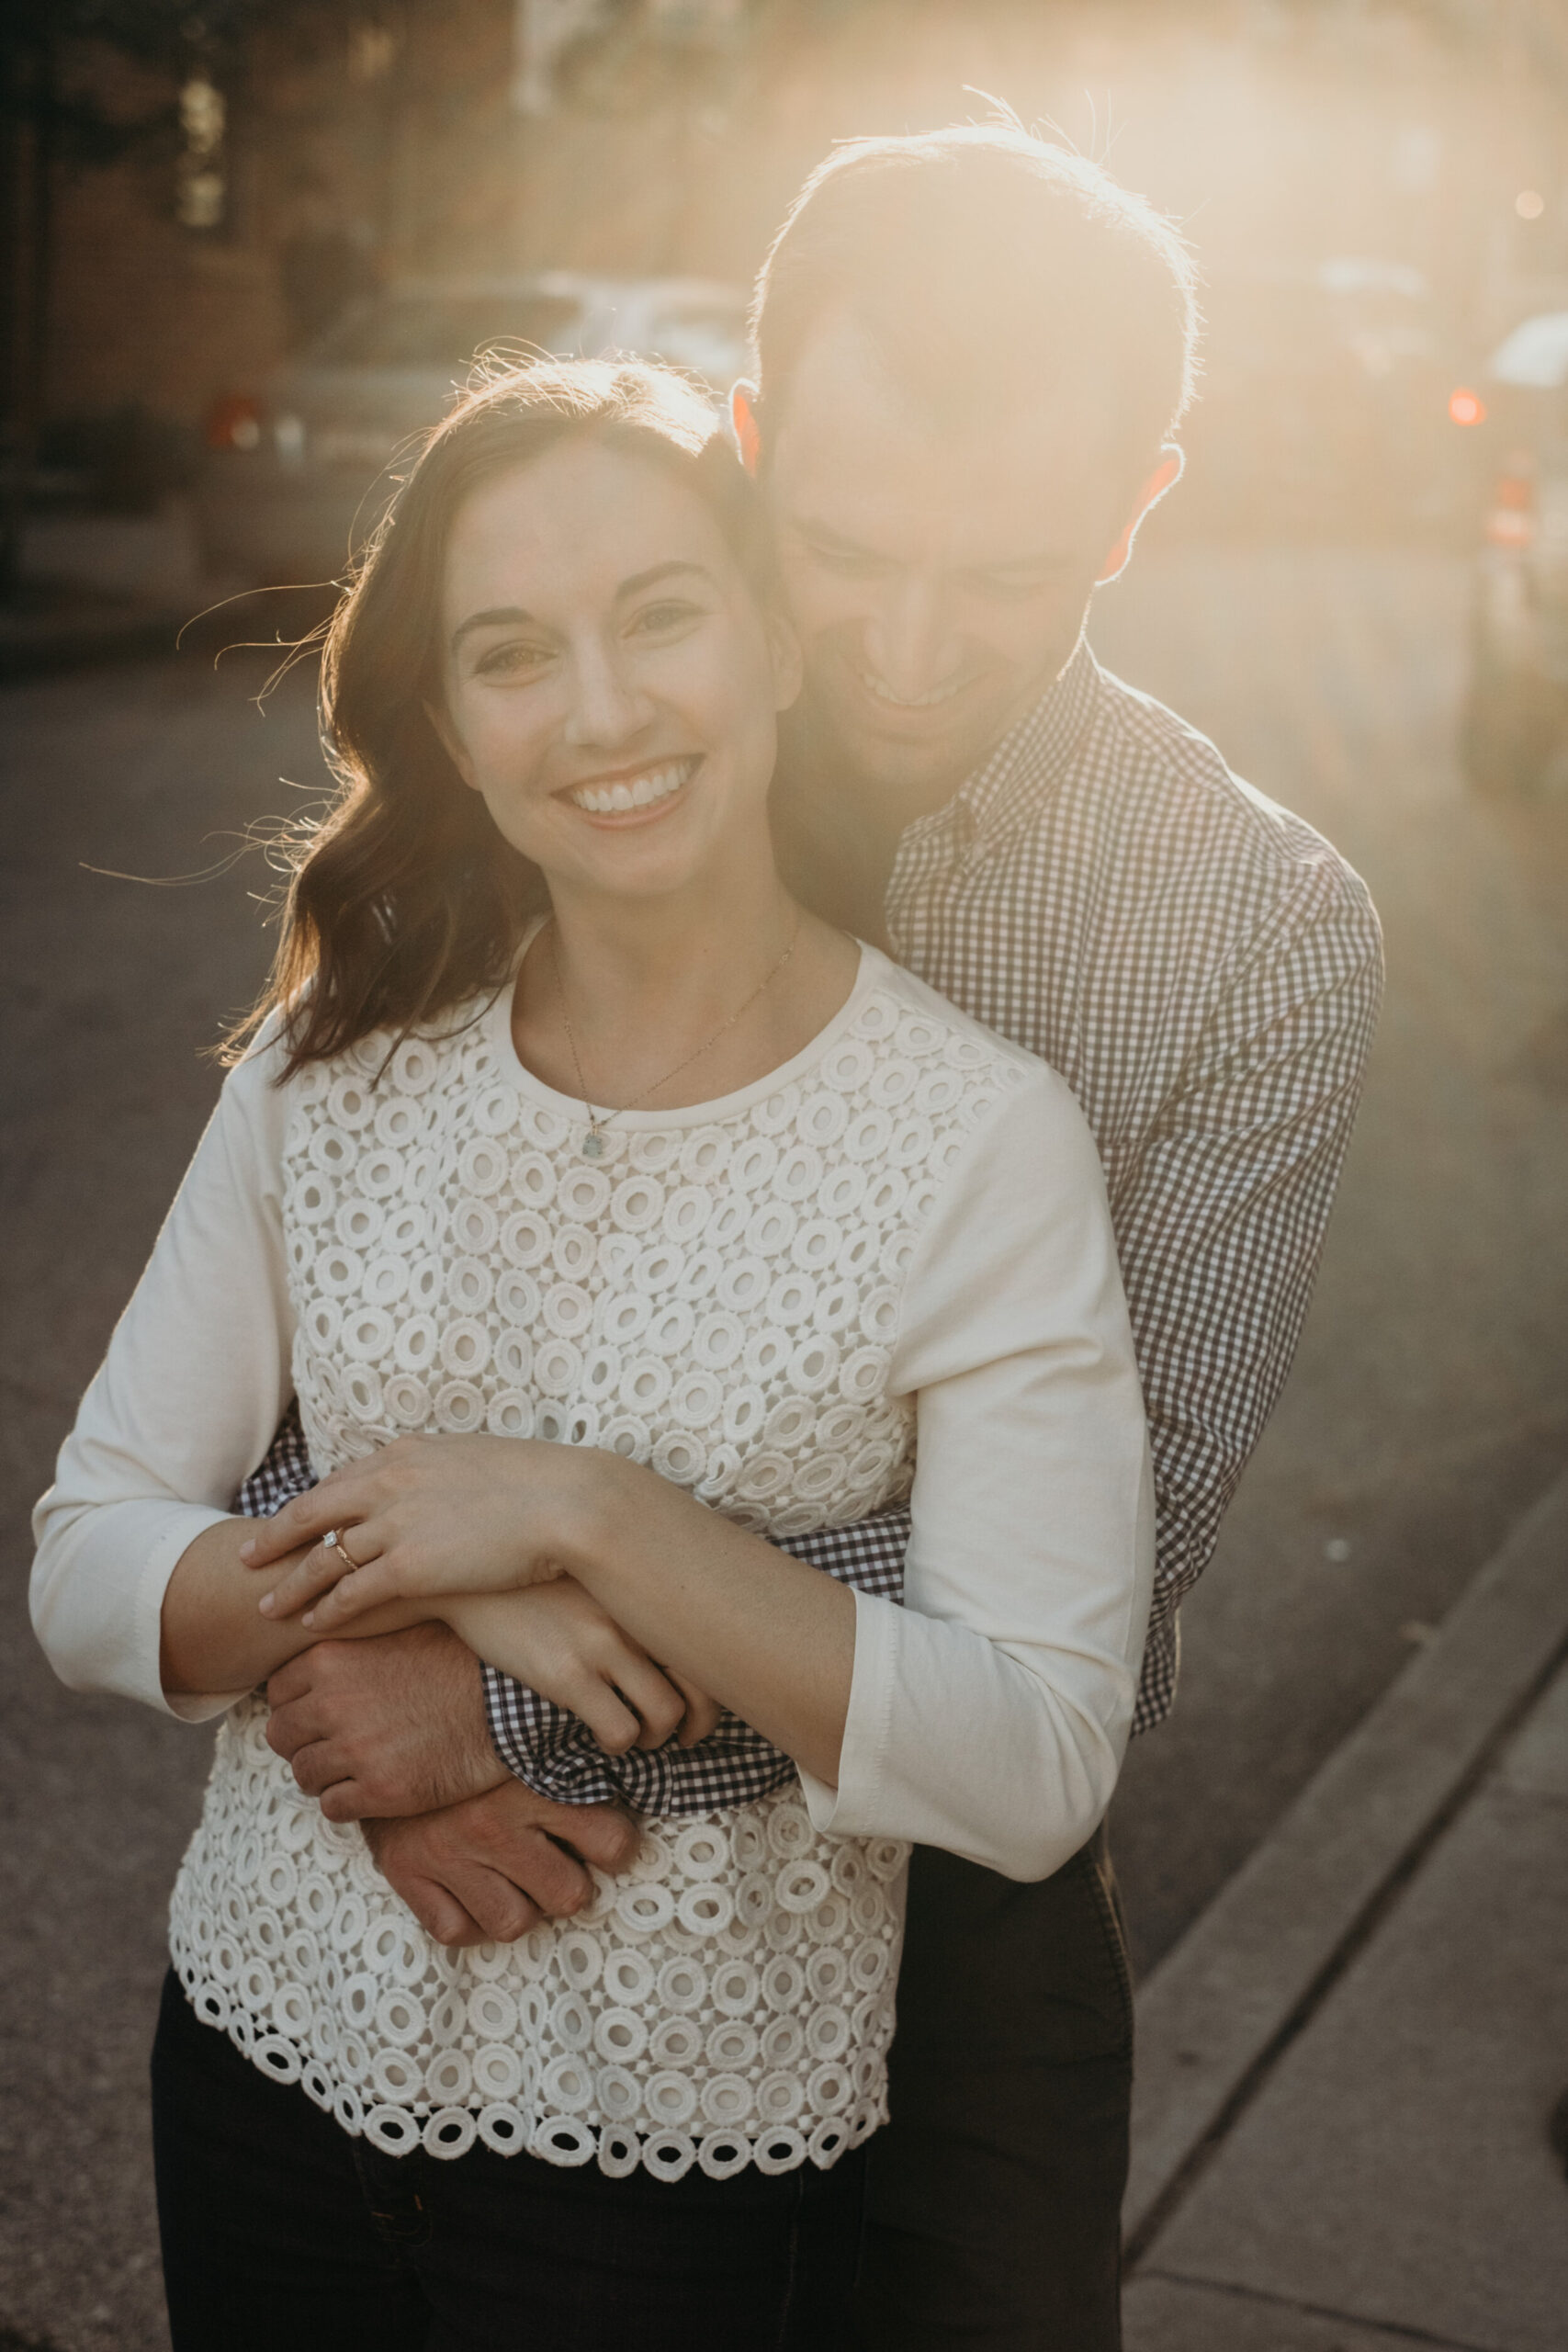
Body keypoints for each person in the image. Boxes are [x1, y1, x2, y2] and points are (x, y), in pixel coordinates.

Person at [236, 123, 1385, 2347]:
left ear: (1141, 499)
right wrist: (350, 1637)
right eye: (844, 546)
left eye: (1014, 571)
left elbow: (1073, 1600)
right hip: (457, 1873)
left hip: (937, 1919)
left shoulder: (1257, 935)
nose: (908, 643)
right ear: (752, 437)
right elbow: (301, 1323)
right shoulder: (580, 742)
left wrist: (496, 1686)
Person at [31, 356, 1154, 2348]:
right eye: (512, 653)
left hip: (679, 2191)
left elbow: (1029, 1751)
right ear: (451, 727)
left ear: (772, 645)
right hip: (258, 2070)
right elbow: (92, 1556)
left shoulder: (976, 1139)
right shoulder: (334, 1065)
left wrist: (583, 1518)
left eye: (659, 617)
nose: (606, 712)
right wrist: (404, 1609)